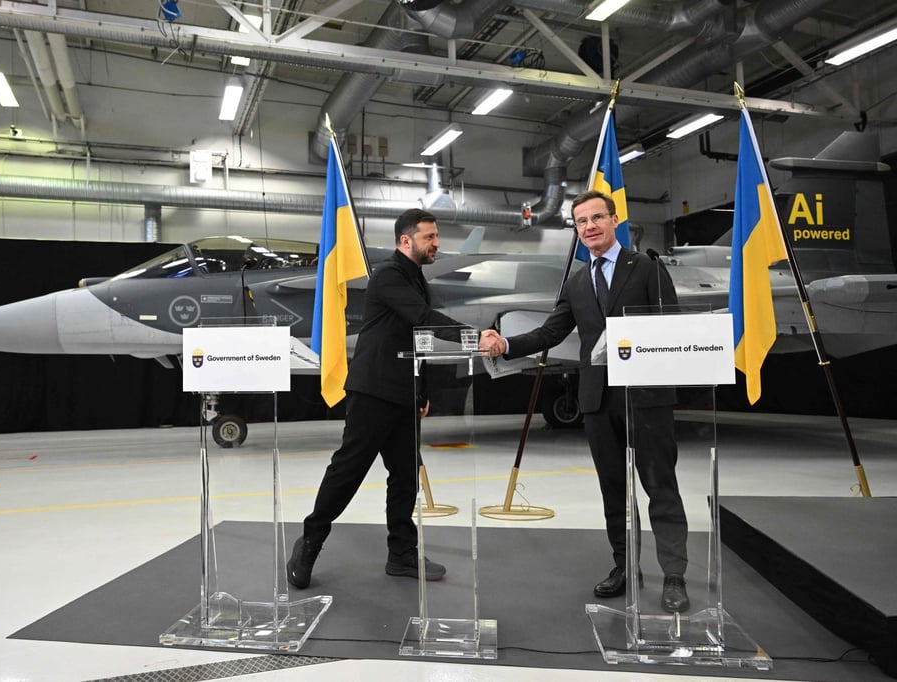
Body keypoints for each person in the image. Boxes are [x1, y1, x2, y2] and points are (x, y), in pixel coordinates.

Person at [478, 190, 690, 613]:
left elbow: (670, 327)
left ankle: (674, 576)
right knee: (613, 489)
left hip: (645, 397)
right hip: (597, 400)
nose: (590, 226)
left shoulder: (646, 268)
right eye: (582, 222)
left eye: (597, 218)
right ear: (576, 230)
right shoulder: (576, 281)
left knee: (660, 486)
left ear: (614, 221)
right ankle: (625, 567)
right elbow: (550, 333)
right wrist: (506, 344)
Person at [287, 208, 468, 589]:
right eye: (429, 237)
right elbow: (423, 318)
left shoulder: (416, 279)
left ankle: (402, 555)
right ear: (406, 241)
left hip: (404, 395)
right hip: (372, 393)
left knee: (405, 479)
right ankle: (309, 544)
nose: (437, 243)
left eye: (436, 237)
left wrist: (423, 392)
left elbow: (417, 341)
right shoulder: (388, 276)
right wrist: (476, 336)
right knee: (348, 473)